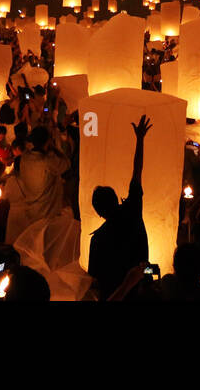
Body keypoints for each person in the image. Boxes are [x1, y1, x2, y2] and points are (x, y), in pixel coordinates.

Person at [88, 115, 151, 299]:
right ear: (116, 198)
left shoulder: (98, 240)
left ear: (98, 212)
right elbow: (137, 170)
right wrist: (140, 139)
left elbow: (96, 280)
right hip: (141, 290)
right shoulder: (132, 209)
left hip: (114, 294)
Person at [4, 125, 69, 243]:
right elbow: (66, 164)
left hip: (31, 212)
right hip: (47, 213)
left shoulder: (25, 157)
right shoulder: (47, 161)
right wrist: (53, 147)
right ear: (47, 141)